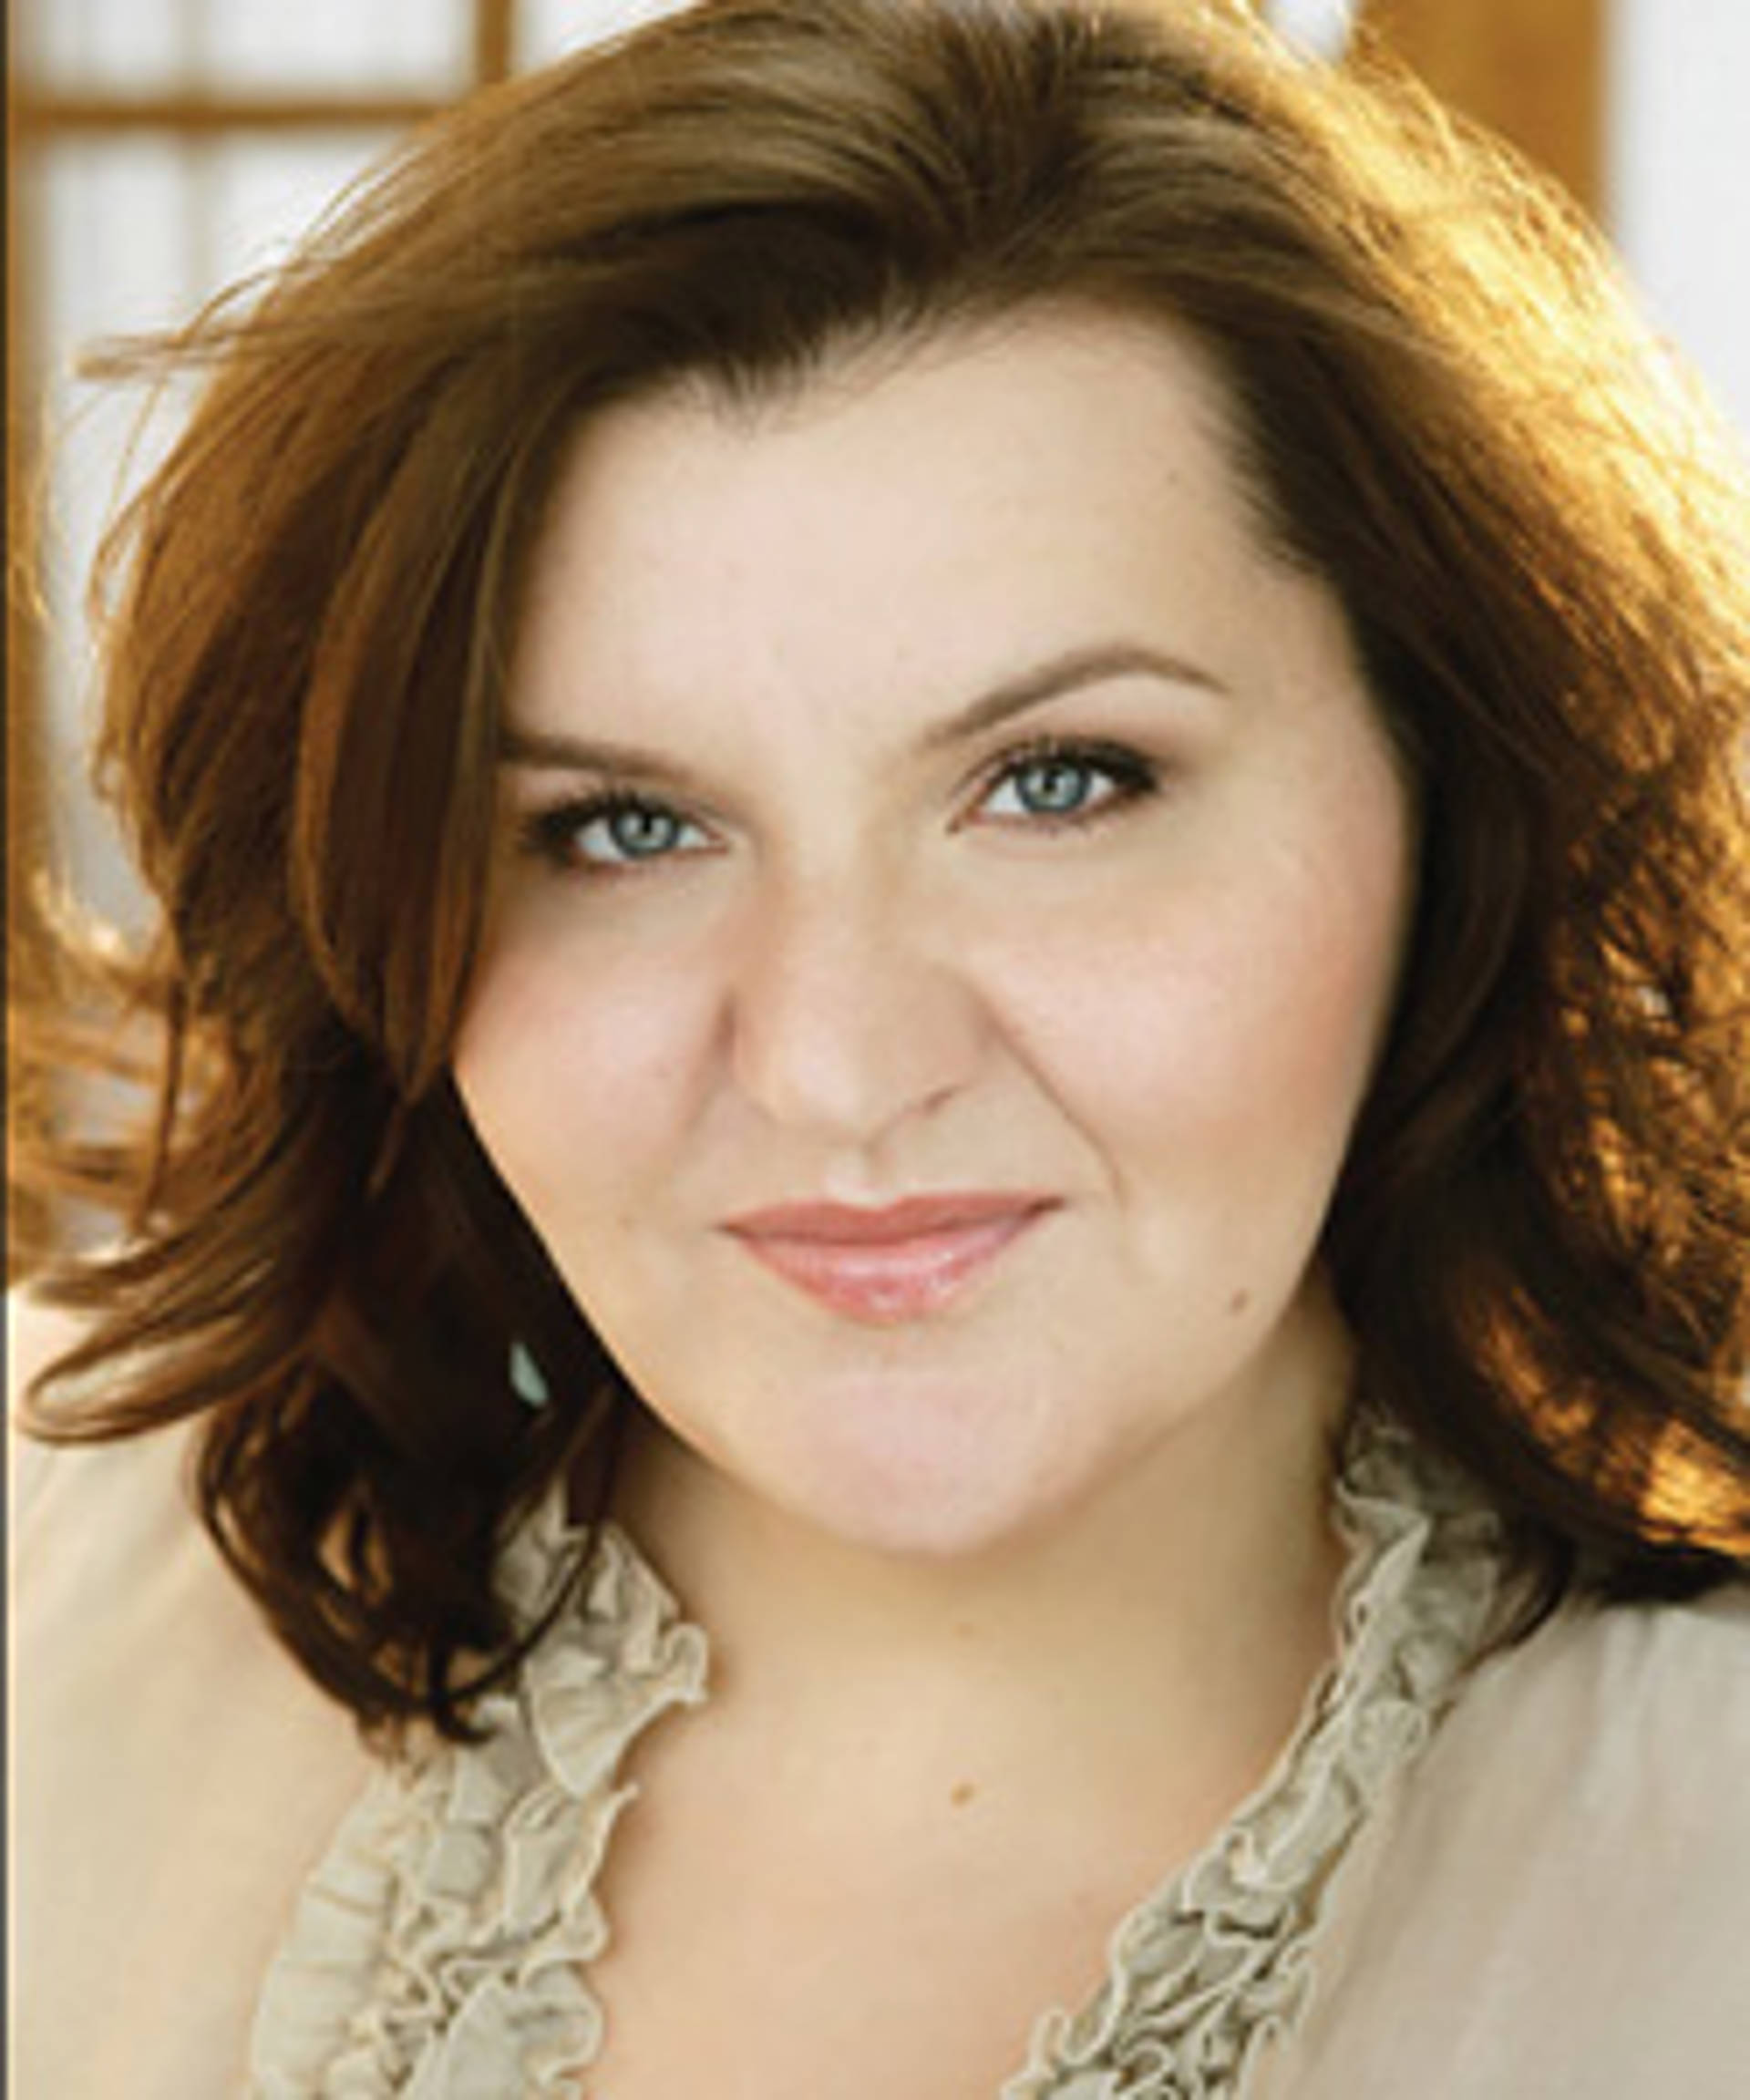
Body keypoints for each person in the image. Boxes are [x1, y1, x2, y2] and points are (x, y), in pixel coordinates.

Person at [11, 1, 1750, 2093]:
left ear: (1450, 798)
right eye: (622, 829)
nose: (835, 1065)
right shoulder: (48, 1580)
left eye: (1061, 783)